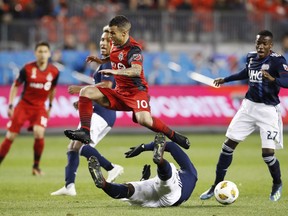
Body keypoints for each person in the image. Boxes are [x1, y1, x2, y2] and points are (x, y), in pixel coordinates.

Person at [63, 15, 190, 150]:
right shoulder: (115, 45)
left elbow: (136, 69)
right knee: (86, 92)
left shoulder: (134, 49)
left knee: (144, 120)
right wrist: (101, 61)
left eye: (113, 33)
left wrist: (116, 72)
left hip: (136, 92)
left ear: (123, 33)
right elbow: (115, 57)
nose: (110, 37)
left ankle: (173, 135)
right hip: (119, 92)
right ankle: (85, 131)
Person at [200, 30, 288, 202]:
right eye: (258, 43)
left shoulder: (278, 61)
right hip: (248, 107)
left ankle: (277, 183)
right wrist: (225, 79)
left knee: (268, 155)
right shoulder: (251, 57)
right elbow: (245, 73)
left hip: (268, 110)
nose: (260, 46)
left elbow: (287, 81)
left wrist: (273, 80)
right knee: (227, 146)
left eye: (264, 44)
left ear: (271, 45)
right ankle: (216, 185)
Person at [51, 26, 124, 196]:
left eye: (107, 41)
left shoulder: (111, 63)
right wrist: (86, 98)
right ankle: (69, 186)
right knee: (73, 146)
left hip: (103, 112)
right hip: (96, 109)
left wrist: (82, 89)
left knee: (83, 146)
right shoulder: (103, 62)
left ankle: (112, 167)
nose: (103, 43)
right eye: (101, 40)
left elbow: (106, 86)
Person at [88, 133, 198, 207]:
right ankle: (103, 184)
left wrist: (143, 147)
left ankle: (159, 161)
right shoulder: (191, 177)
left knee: (130, 190)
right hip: (164, 199)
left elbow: (172, 146)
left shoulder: (191, 172)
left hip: (174, 193)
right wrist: (144, 179)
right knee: (132, 190)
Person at [0, 41, 59, 175]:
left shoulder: (54, 71)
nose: (43, 54)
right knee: (10, 136)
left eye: (45, 51)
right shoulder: (27, 68)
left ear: (49, 54)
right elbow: (15, 86)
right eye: (40, 51)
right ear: (35, 53)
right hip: (24, 105)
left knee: (39, 132)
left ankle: (36, 167)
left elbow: (53, 90)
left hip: (40, 107)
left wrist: (50, 105)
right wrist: (10, 105)